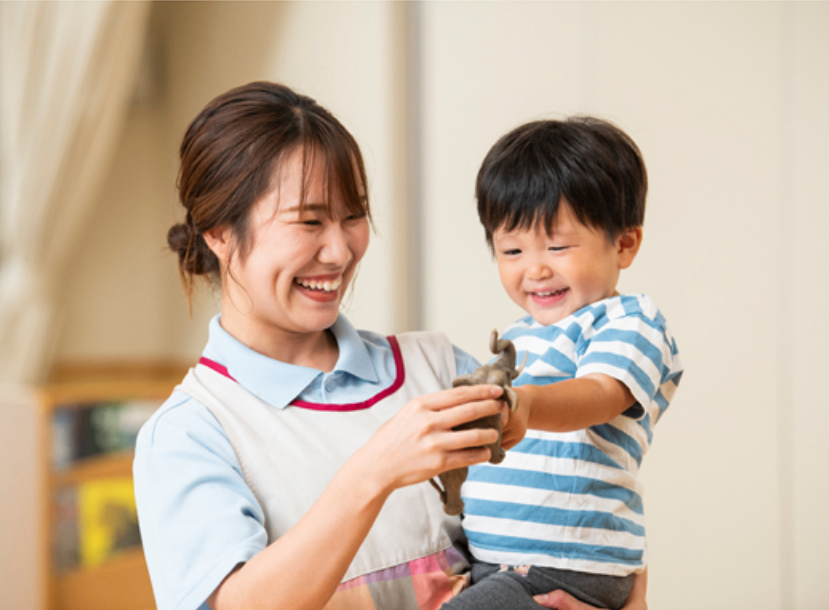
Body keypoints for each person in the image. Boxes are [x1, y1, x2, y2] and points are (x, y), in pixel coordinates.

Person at [133, 81, 649, 610]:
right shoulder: (191, 433)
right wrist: (372, 472)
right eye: (309, 221)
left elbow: (575, 498)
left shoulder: (441, 368)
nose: (339, 250)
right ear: (219, 233)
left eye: (353, 216)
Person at [442, 117, 683, 610]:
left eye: (558, 245)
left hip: (566, 563)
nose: (535, 268)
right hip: (499, 561)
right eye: (512, 249)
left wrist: (526, 405)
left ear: (624, 243)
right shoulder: (520, 335)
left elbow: (599, 394)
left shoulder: (629, 320)